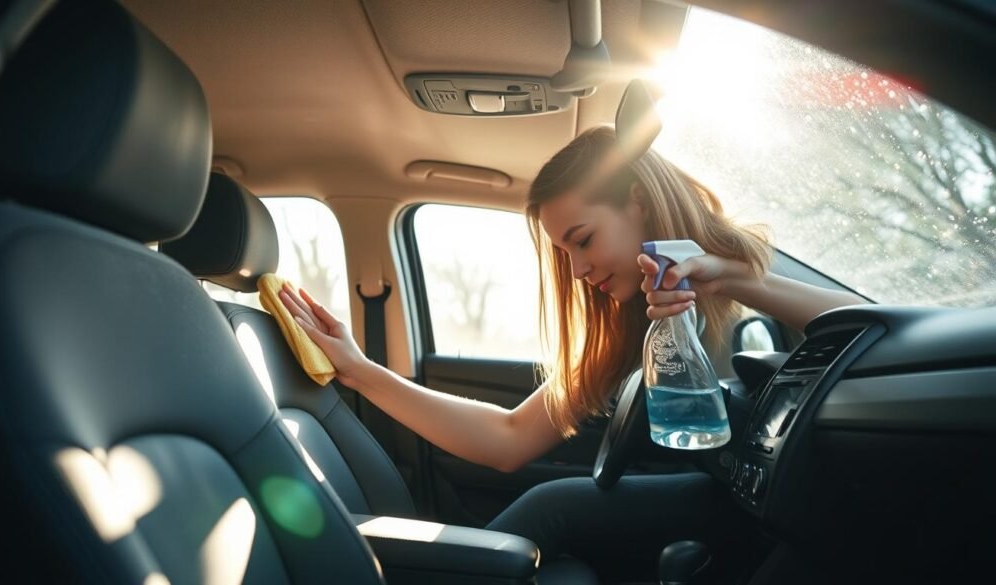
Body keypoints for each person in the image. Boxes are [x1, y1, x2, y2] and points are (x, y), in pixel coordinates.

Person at [277, 125, 863, 572]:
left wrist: (732, 278)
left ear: (639, 201)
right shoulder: (633, 326)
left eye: (582, 241)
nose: (578, 269)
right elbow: (509, 440)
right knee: (558, 500)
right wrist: (358, 370)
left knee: (562, 501)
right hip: (733, 513)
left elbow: (879, 329)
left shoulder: (734, 288)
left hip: (765, 516)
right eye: (566, 253)